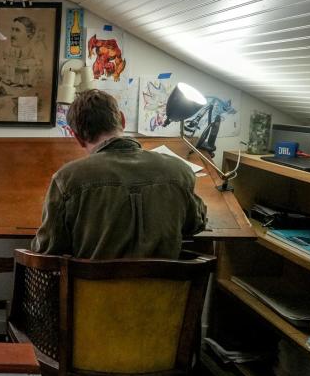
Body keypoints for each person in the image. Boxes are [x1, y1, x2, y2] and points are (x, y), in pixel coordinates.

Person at [32, 89, 207, 259]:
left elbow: (48, 248)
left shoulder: (67, 179)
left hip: (93, 289)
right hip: (167, 288)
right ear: (122, 120)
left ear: (76, 136)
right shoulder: (180, 170)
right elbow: (195, 224)